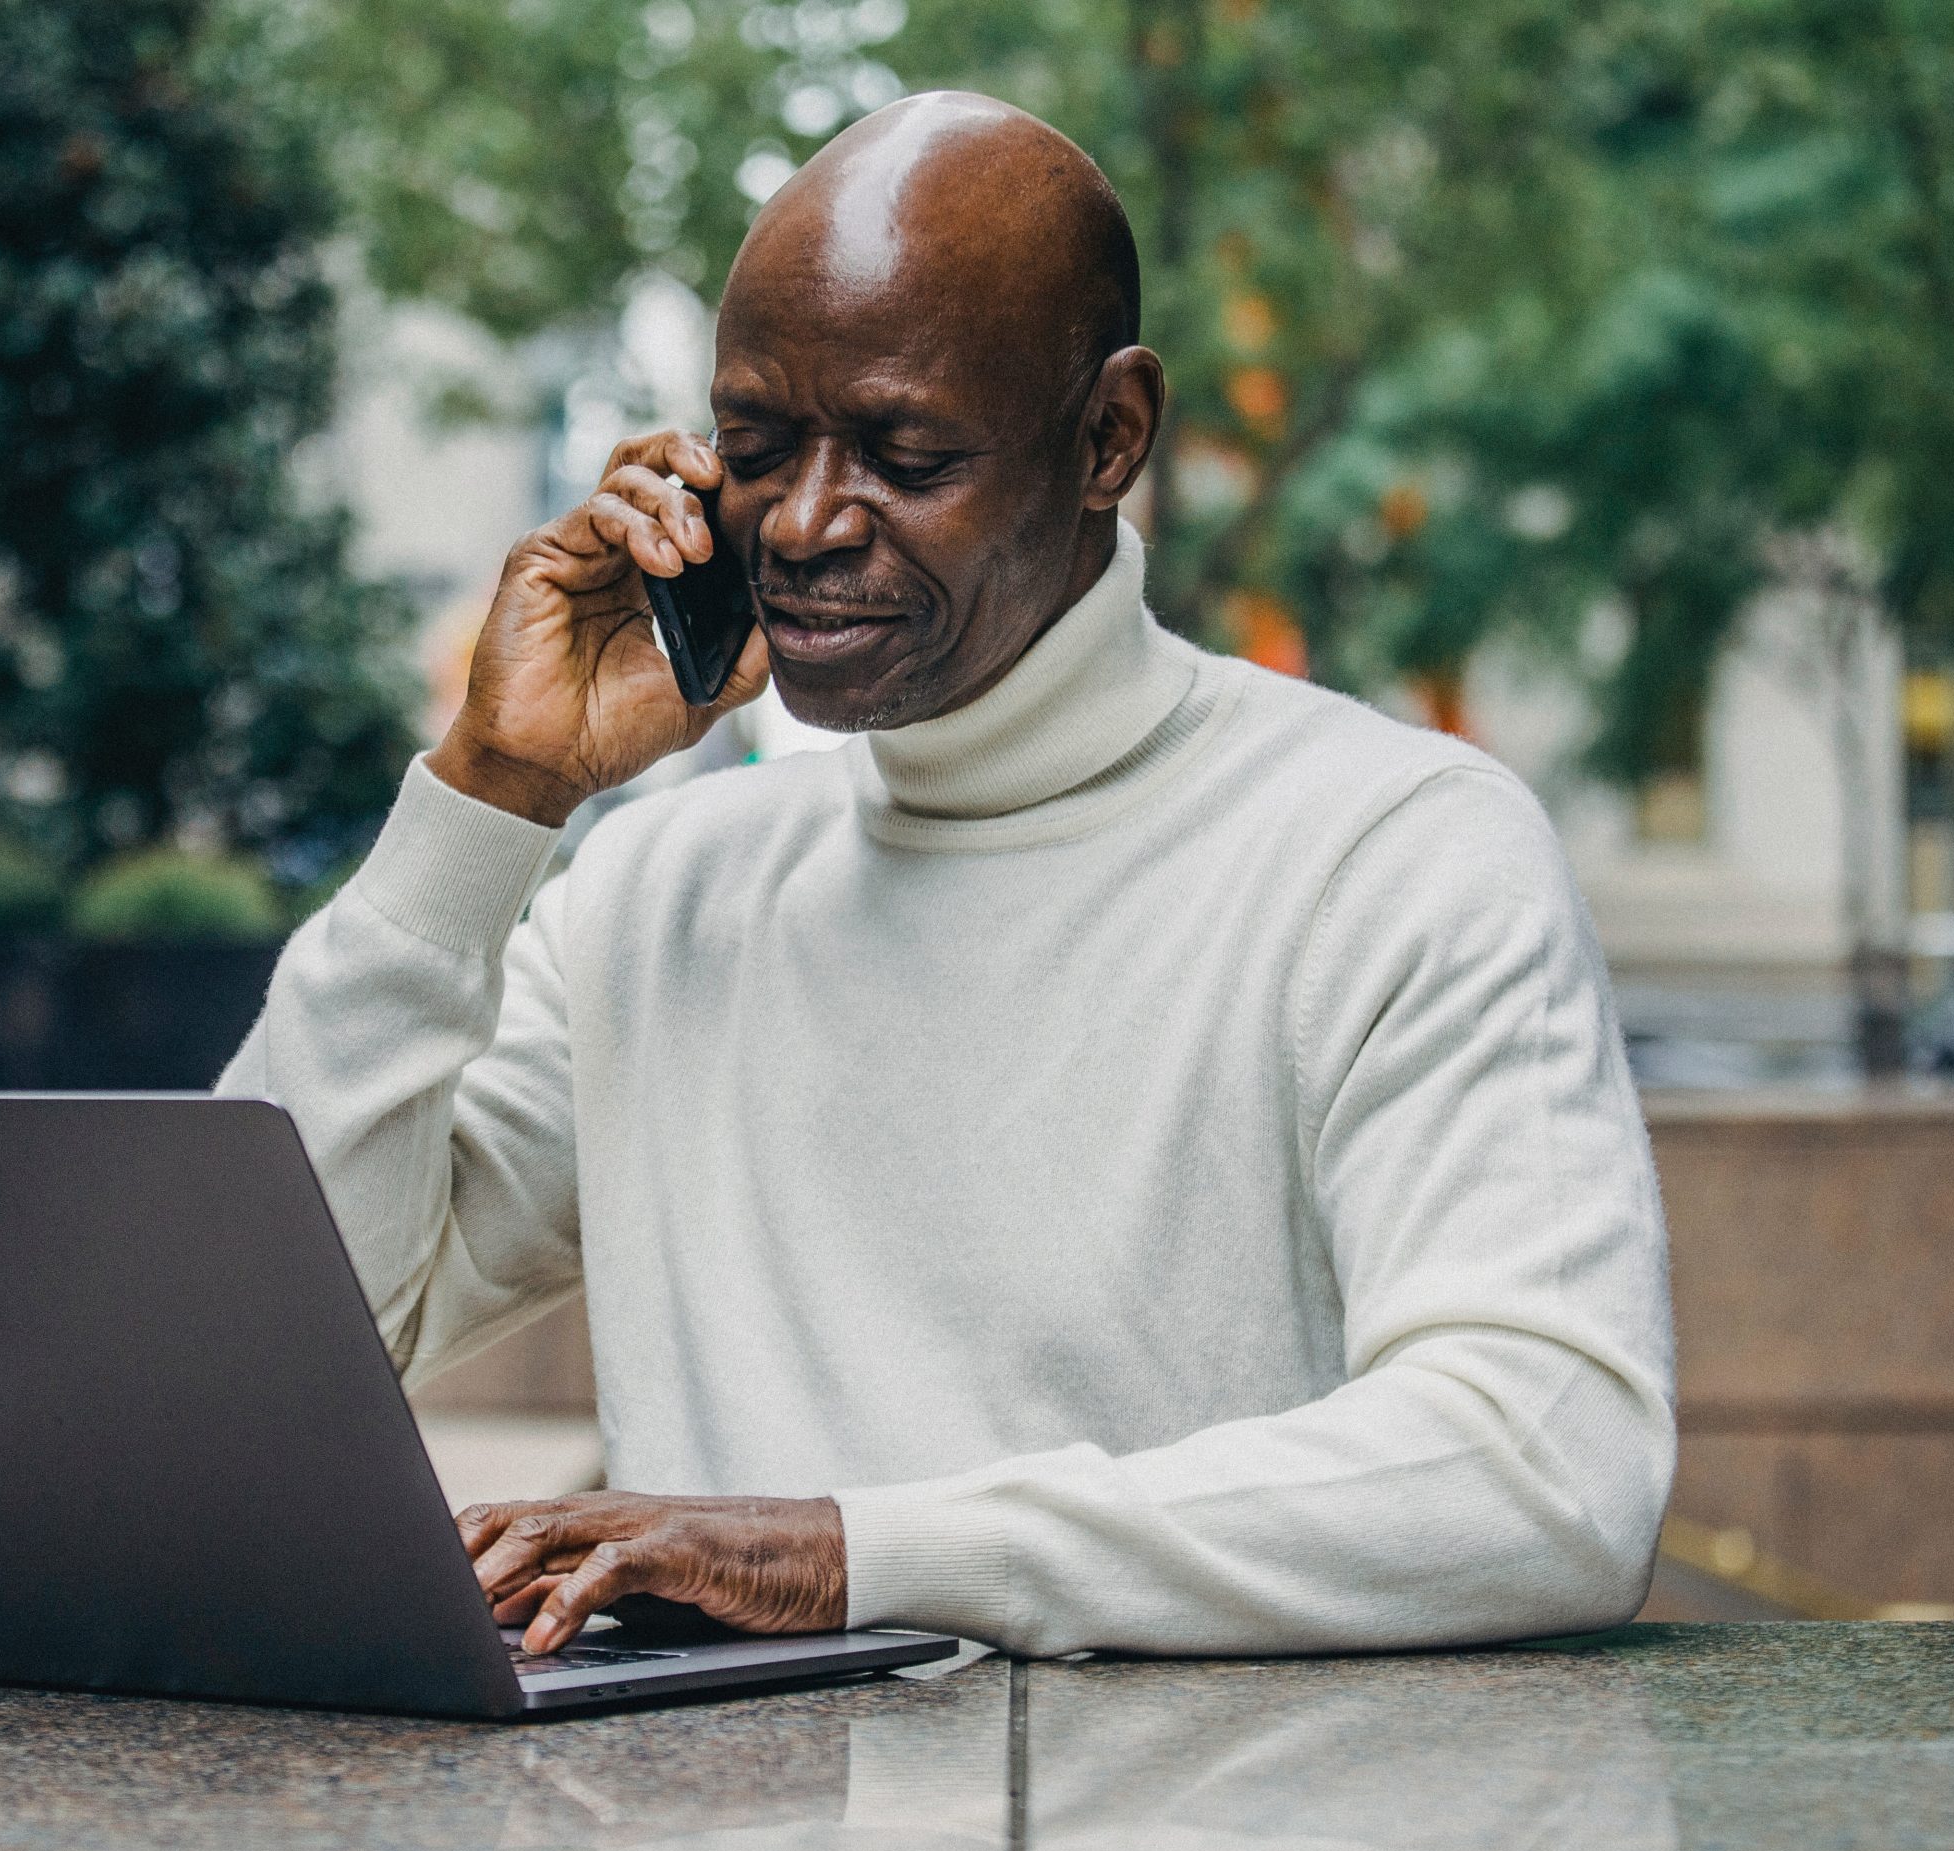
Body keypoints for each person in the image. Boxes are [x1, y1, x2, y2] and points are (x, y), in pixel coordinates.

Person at [219, 92, 1673, 1658]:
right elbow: (249, 1353)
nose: (805, 520)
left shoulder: (1392, 848)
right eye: (757, 446)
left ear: (1109, 435)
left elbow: (1544, 1465)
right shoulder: (661, 896)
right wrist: (486, 799)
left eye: (907, 452)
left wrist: (861, 1554)